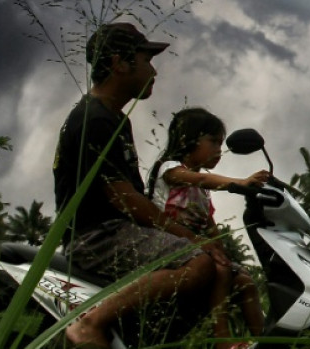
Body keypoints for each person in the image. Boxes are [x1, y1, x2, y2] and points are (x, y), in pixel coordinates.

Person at [53, 22, 234, 349]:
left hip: (117, 232)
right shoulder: (94, 119)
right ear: (119, 64)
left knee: (222, 275)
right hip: (97, 237)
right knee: (199, 262)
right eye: (146, 60)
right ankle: (90, 324)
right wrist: (191, 238)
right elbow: (126, 200)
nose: (154, 71)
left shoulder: (115, 119)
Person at [147, 107, 268, 341]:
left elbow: (209, 224)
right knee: (220, 271)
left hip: (196, 247)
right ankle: (222, 341)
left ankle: (266, 342)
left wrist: (222, 251)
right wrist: (241, 183)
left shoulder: (202, 192)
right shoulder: (170, 170)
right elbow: (202, 178)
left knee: (245, 282)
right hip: (166, 242)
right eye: (213, 142)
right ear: (189, 140)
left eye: (221, 144)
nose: (219, 150)